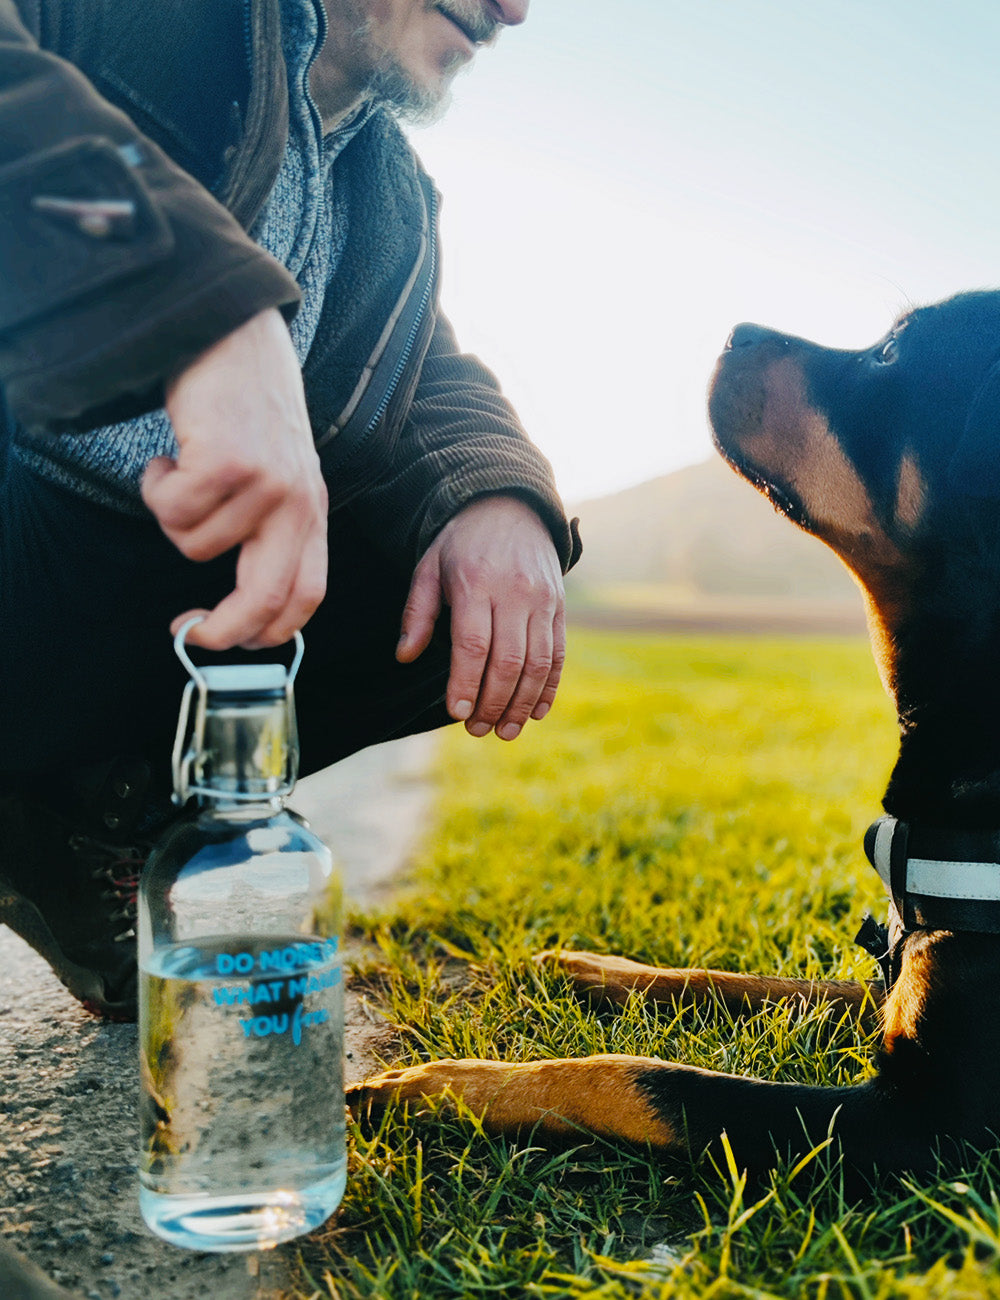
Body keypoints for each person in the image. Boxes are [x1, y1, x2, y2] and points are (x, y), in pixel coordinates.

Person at [0, 0, 580, 1022]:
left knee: (444, 597)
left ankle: (78, 815)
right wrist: (197, 303)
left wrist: (495, 493)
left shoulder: (389, 191)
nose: (515, 8)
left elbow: (429, 368)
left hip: (142, 594)